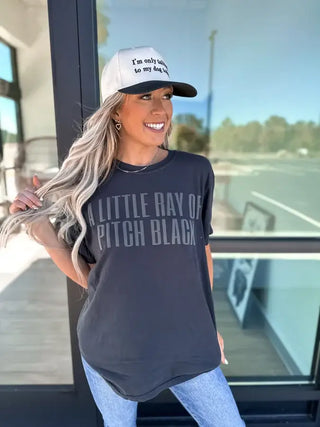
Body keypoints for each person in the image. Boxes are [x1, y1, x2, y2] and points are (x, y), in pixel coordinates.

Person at [1, 46, 246, 426]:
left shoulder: (195, 172)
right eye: (144, 96)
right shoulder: (87, 185)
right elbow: (93, 275)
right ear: (115, 109)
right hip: (113, 351)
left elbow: (202, 256)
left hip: (188, 346)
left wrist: (208, 327)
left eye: (165, 96)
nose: (160, 110)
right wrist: (42, 229)